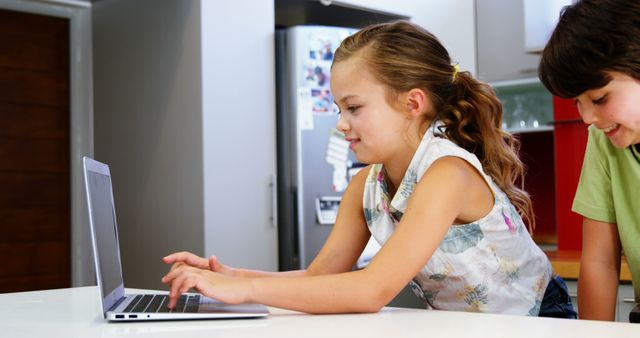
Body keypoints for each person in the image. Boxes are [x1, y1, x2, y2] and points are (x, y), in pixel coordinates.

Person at [162, 21, 575, 317]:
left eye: (354, 108)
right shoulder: (366, 184)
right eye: (340, 109)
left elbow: (371, 290)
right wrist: (228, 277)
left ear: (412, 104)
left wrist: (242, 290)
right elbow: (321, 276)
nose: (341, 123)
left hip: (537, 318)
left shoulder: (447, 173)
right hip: (469, 326)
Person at [538, 0, 640, 321]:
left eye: (599, 99)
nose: (588, 118)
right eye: (578, 104)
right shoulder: (605, 138)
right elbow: (599, 262)